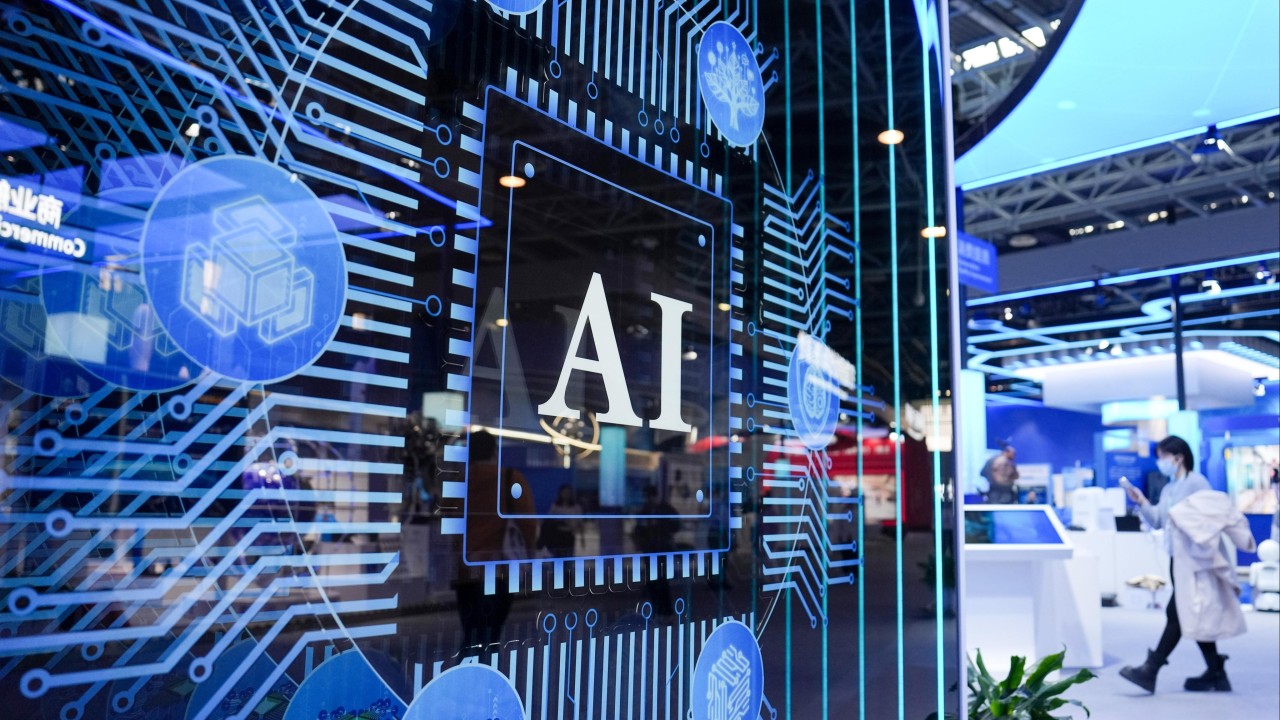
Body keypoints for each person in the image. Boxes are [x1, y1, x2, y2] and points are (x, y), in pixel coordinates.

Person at [1118, 435, 1256, 694]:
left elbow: (1210, 517)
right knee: (1190, 613)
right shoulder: (1169, 488)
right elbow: (1159, 521)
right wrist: (1142, 502)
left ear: (1178, 457)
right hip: (1177, 559)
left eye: (1163, 456)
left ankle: (1151, 669)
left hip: (1196, 560)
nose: (1160, 462)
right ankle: (1216, 672)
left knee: (1178, 612)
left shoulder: (1197, 483)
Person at [452, 430, 536, 655]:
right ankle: (483, 673)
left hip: (464, 571)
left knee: (471, 633)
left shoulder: (460, 483)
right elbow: (528, 524)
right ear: (494, 451)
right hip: (498, 570)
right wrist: (530, 558)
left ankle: (468, 671)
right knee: (490, 635)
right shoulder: (510, 478)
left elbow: (450, 524)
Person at [537, 483, 584, 558]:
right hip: (557, 533)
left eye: (568, 492)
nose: (566, 494)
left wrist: (582, 538)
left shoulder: (576, 507)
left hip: (569, 533)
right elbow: (549, 518)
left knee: (567, 556)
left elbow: (580, 523)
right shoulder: (555, 506)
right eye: (564, 492)